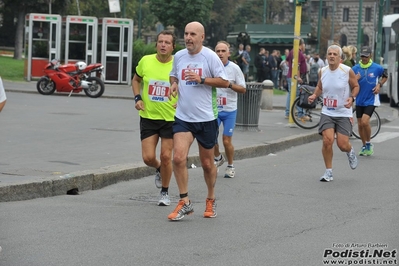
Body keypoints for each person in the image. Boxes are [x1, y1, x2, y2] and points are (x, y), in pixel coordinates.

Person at [168, 21, 229, 220]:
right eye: (186, 33)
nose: (188, 37)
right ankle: (184, 201)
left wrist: (202, 80)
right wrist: (174, 85)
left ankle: (210, 199)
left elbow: (224, 81)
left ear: (202, 37)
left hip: (206, 118)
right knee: (177, 158)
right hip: (184, 116)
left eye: (193, 34)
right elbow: (173, 75)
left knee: (207, 163)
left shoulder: (210, 57)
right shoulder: (178, 56)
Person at [131, 30, 177, 206]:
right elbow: (136, 80)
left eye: (167, 42)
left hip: (171, 118)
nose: (163, 45)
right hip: (149, 116)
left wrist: (183, 103)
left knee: (166, 156)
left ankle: (164, 192)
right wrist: (138, 98)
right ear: (156, 44)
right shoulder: (146, 61)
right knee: (148, 158)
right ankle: (158, 169)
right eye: (160, 42)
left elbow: (189, 88)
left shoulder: (178, 65)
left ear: (173, 46)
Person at [308, 45, 360, 182]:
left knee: (342, 145)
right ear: (326, 56)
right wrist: (314, 95)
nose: (331, 56)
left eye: (334, 54)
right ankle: (328, 172)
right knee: (327, 141)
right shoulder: (322, 71)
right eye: (329, 54)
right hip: (327, 111)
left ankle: (350, 151)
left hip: (343, 112)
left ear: (340, 57)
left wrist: (352, 98)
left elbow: (355, 86)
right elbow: (320, 86)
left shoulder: (347, 71)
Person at [213, 41, 246, 178]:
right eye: (218, 51)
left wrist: (229, 85)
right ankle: (217, 158)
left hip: (229, 110)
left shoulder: (234, 68)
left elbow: (243, 89)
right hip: (213, 109)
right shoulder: (211, 67)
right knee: (210, 139)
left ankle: (230, 165)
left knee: (226, 140)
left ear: (228, 53)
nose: (220, 53)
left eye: (223, 51)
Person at [352, 46, 388, 156]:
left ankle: (368, 143)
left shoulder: (377, 68)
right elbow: (349, 82)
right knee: (359, 124)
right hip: (359, 99)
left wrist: (379, 85)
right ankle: (364, 146)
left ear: (370, 56)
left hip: (371, 99)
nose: (364, 58)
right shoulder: (355, 68)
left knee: (364, 121)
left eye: (366, 56)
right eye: (362, 56)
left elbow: (385, 76)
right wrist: (355, 80)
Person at [285, 39, 308, 119]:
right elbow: (297, 65)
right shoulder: (297, 52)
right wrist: (298, 77)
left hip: (290, 76)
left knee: (291, 94)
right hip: (295, 77)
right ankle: (301, 114)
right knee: (299, 94)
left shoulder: (292, 51)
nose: (304, 46)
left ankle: (288, 112)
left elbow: (287, 60)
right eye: (304, 44)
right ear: (301, 44)